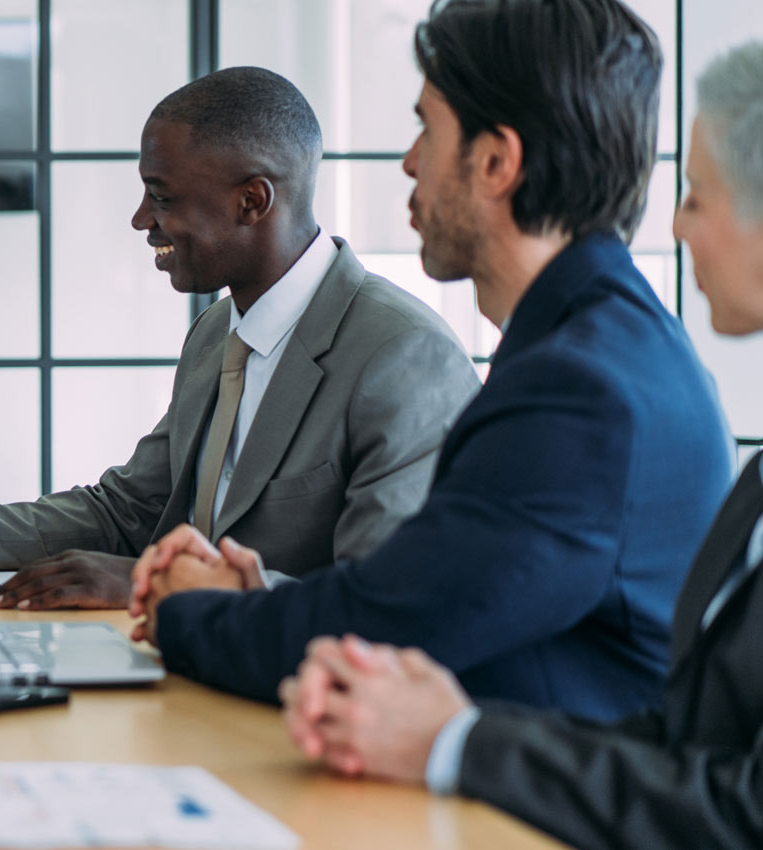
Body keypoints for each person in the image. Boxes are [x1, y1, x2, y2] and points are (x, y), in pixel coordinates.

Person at [129, 0, 730, 723]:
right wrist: (252, 597)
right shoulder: (603, 340)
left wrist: (186, 611)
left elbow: (388, 630)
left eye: (425, 128)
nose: (409, 160)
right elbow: (421, 591)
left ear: (496, 162)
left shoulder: (579, 389)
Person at [275, 40, 763, 850]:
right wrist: (446, 731)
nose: (675, 225)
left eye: (696, 197)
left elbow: (743, 812)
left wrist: (454, 743)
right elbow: (690, 741)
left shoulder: (588, 382)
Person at [0, 68, 479, 605]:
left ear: (251, 202)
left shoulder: (402, 357)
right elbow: (126, 514)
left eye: (160, 196)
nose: (141, 220)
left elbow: (386, 600)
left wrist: (157, 587)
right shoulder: (217, 333)